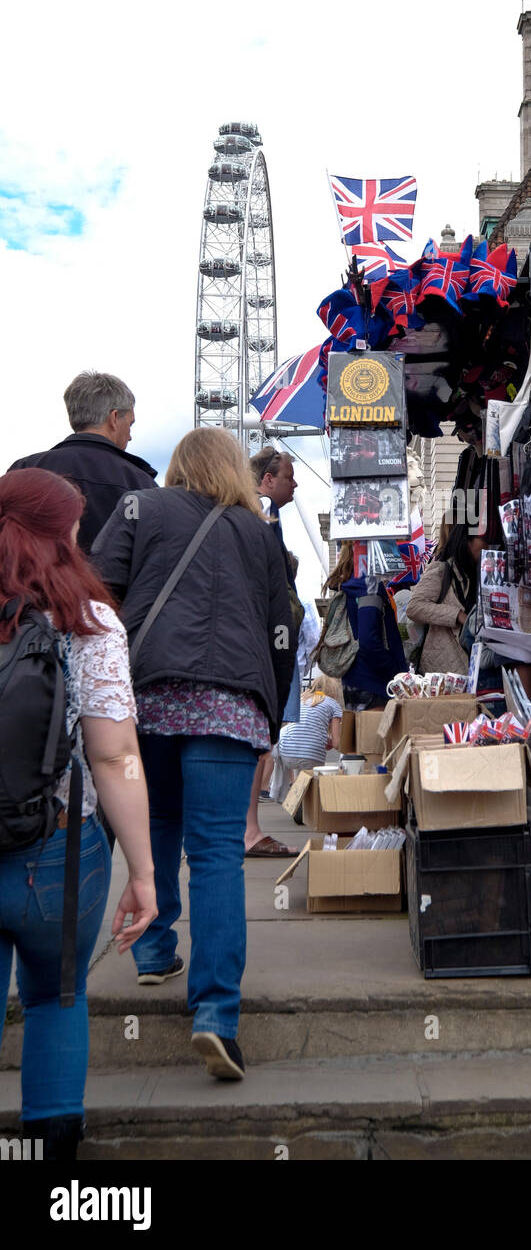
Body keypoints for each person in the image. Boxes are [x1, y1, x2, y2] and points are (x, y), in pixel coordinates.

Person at [91, 429, 293, 1080]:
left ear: (176, 466)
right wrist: (272, 711)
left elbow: (94, 592)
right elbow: (281, 631)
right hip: (230, 709)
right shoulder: (259, 536)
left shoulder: (139, 508)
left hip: (147, 701)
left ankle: (154, 955)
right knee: (215, 857)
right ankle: (215, 1018)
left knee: (153, 832)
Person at [0, 470, 156, 1160]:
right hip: (60, 853)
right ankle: (52, 1159)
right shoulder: (87, 620)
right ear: (61, 533)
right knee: (55, 1000)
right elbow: (116, 756)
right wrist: (144, 872)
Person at [7, 371, 158, 553]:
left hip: (32, 580)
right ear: (114, 418)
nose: (130, 436)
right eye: (130, 424)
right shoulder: (141, 483)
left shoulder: (22, 471)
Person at [245, 446, 302, 856]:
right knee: (257, 737)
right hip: (260, 644)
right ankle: (248, 830)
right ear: (268, 480)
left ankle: (244, 828)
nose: (295, 483)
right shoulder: (262, 513)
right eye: (289, 476)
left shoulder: (257, 512)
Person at [326, 543, 407, 711]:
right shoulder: (369, 586)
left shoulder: (353, 585)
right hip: (375, 685)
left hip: (356, 680)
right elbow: (369, 641)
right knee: (375, 737)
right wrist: (396, 672)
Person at [407, 523, 485, 675]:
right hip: (443, 668)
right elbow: (414, 607)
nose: (487, 544)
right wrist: (458, 615)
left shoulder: (478, 575)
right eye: (482, 539)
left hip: (472, 668)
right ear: (467, 542)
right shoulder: (441, 570)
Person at [271, 676, 343, 800]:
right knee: (310, 773)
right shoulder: (333, 704)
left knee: (299, 759)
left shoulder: (300, 699)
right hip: (312, 756)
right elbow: (336, 743)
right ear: (334, 691)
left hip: (286, 753)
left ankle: (281, 793)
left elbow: (296, 730)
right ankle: (306, 805)